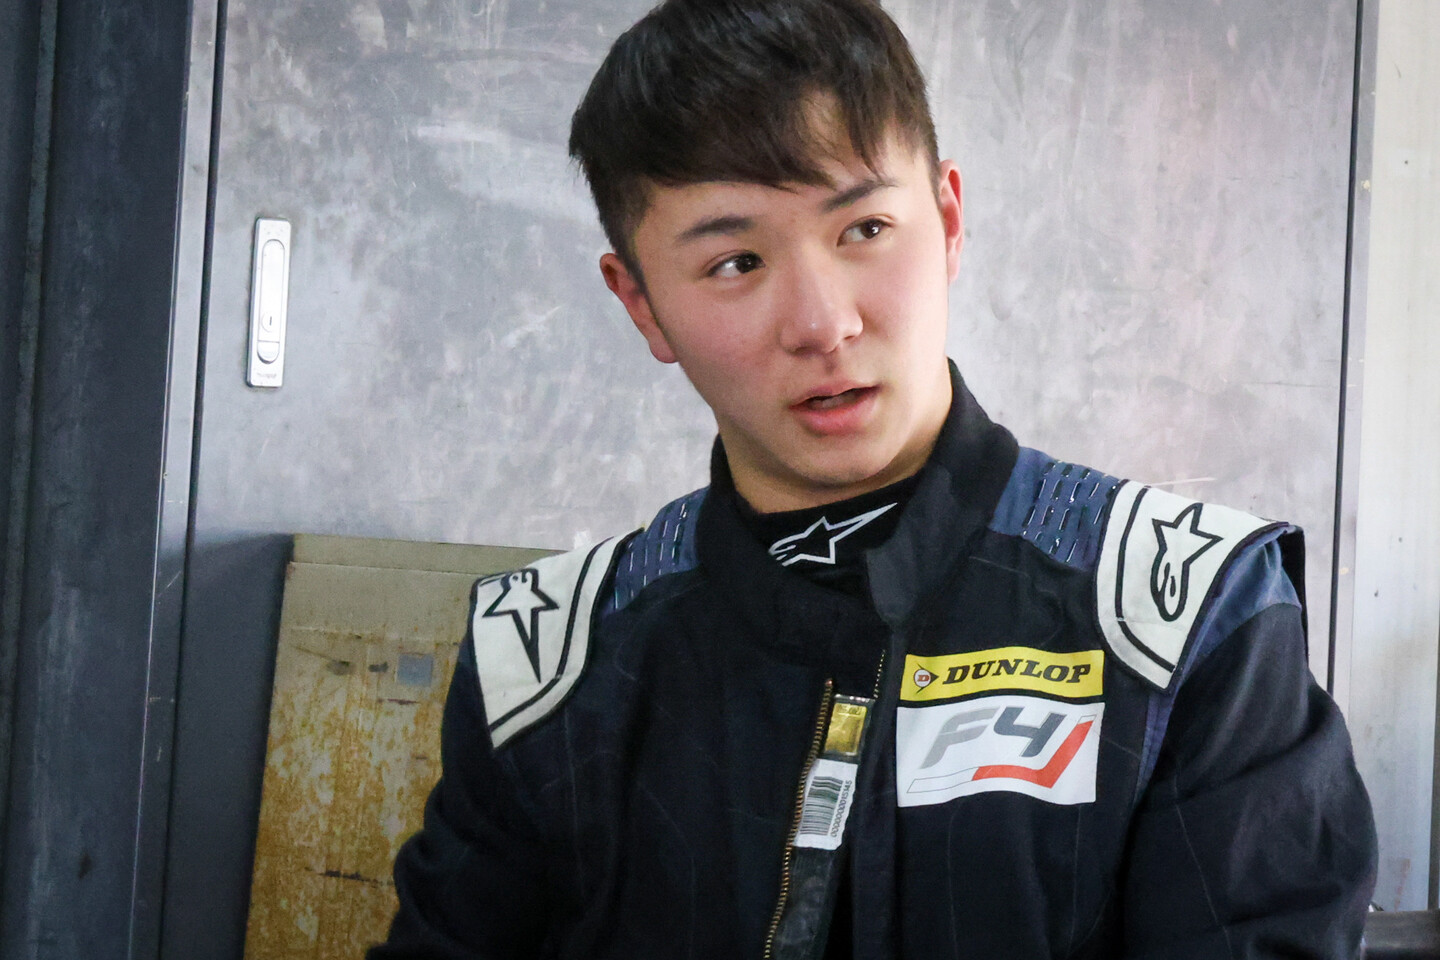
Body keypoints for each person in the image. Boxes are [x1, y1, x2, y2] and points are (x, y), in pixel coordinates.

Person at [370, 0, 1378, 956]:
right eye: (735, 263)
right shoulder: (545, 669)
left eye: (864, 230)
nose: (824, 323)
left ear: (948, 218)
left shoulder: (1186, 618)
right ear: (639, 303)